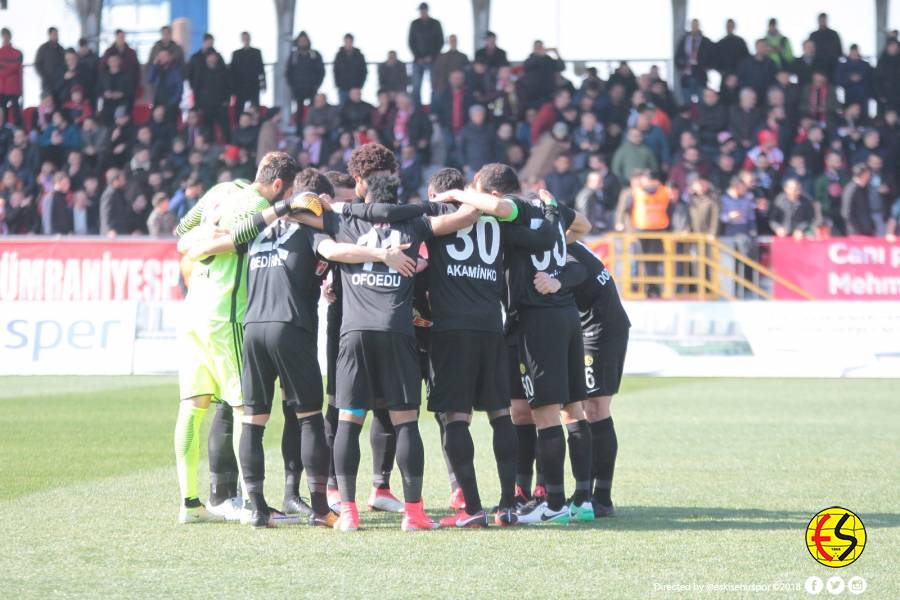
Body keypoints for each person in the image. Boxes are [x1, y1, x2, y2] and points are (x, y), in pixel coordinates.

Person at [293, 172, 480, 532]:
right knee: (405, 421)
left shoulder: (342, 218)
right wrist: (433, 201)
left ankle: (347, 511)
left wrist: (343, 206)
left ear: (364, 193)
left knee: (348, 420)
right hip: (396, 331)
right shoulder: (415, 223)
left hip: (353, 333)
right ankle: (414, 513)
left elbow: (296, 213)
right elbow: (468, 215)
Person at [171, 151, 306, 525]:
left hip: (193, 308)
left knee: (193, 406)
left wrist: (201, 238)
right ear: (279, 184)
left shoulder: (220, 190)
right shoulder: (260, 204)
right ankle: (253, 505)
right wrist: (282, 210)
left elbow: (180, 231)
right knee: (245, 408)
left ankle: (190, 504)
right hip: (225, 313)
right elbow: (243, 234)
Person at [566, 241, 630, 517]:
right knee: (588, 407)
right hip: (594, 324)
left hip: (600, 327)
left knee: (594, 408)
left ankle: (600, 496)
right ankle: (592, 493)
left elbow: (577, 275)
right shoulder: (564, 239)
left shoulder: (560, 247)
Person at [286, 32, 325, 134]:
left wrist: (317, 85)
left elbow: (321, 71)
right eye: (301, 41)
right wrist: (293, 86)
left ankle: (312, 131)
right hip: (298, 89)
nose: (303, 43)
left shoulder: (315, 54)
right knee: (299, 112)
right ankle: (299, 132)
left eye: (305, 40)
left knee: (313, 111)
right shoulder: (294, 55)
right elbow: (288, 72)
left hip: (312, 88)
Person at [407, 2, 444, 105]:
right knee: (416, 86)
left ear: (427, 11)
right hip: (418, 60)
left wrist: (431, 56)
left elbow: (440, 41)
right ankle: (417, 110)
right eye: (421, 11)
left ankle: (434, 110)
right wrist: (417, 57)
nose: (422, 12)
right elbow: (411, 42)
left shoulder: (436, 23)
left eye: (424, 10)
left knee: (435, 86)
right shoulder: (414, 24)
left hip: (433, 60)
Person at [193, 51, 231, 142]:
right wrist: (198, 105)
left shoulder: (223, 71)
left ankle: (228, 144)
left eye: (214, 57)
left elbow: (228, 87)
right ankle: (209, 146)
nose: (212, 59)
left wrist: (227, 100)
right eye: (210, 57)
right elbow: (197, 89)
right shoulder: (201, 72)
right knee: (207, 128)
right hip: (206, 105)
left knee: (225, 127)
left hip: (220, 104)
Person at [674, 19, 714, 104]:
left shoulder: (705, 42)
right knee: (687, 102)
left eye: (696, 25)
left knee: (702, 102)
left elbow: (712, 57)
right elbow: (678, 57)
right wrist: (682, 65)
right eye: (693, 25)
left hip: (700, 76)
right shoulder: (684, 40)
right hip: (687, 76)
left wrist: (706, 66)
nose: (694, 27)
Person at [521, 40, 565, 107]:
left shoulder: (548, 59)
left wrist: (557, 53)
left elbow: (561, 67)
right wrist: (538, 56)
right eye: (537, 47)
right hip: (533, 96)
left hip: (548, 95)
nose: (539, 49)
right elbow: (526, 66)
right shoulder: (530, 59)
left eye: (540, 47)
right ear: (533, 48)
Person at [230, 32, 266, 110]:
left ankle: (255, 121)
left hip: (254, 85)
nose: (246, 39)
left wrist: (263, 84)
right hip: (240, 86)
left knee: (255, 107)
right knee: (239, 108)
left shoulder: (257, 52)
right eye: (244, 38)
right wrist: (232, 89)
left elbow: (261, 70)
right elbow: (232, 72)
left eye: (247, 37)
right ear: (242, 39)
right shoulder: (236, 54)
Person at [147, 48, 183, 122]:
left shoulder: (176, 70)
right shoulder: (157, 69)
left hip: (170, 105)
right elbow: (150, 79)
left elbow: (179, 90)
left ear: (170, 57)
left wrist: (170, 104)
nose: (162, 58)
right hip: (157, 103)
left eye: (164, 56)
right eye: (160, 56)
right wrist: (154, 65)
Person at [841, 164, 876, 236]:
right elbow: (846, 212)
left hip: (868, 229)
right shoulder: (851, 189)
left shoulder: (864, 188)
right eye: (868, 174)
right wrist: (856, 230)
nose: (869, 176)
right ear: (863, 174)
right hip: (857, 232)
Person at [333, 34, 367, 106]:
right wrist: (338, 84)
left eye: (350, 41)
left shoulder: (359, 55)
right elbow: (335, 71)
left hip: (356, 87)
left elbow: (364, 72)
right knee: (343, 108)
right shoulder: (339, 55)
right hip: (343, 88)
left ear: (352, 42)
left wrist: (359, 86)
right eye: (346, 41)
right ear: (344, 42)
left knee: (356, 109)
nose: (348, 43)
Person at [0, 28, 24, 126]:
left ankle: (19, 132)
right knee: (2, 112)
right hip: (2, 88)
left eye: (7, 36)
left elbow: (17, 67)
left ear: (10, 37)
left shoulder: (18, 53)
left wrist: (3, 67)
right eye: (3, 36)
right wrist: (10, 67)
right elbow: (14, 68)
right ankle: (4, 133)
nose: (5, 38)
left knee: (16, 112)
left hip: (14, 88)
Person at [809, 12, 843, 79]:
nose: (822, 22)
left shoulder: (834, 34)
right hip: (817, 68)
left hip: (832, 68)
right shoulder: (813, 35)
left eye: (824, 20)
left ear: (827, 20)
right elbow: (809, 51)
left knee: (831, 88)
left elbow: (840, 51)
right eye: (821, 20)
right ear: (818, 21)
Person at [34, 27, 65, 99]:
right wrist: (44, 76)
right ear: (49, 35)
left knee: (59, 101)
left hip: (59, 82)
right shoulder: (43, 48)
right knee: (47, 103)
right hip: (47, 82)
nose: (56, 36)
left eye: (57, 34)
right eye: (54, 34)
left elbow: (64, 64)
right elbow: (37, 64)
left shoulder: (61, 49)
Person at [99, 168, 129, 236]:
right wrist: (108, 230)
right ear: (115, 180)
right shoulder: (109, 193)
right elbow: (105, 213)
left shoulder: (119, 192)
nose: (124, 180)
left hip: (121, 230)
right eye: (122, 178)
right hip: (112, 233)